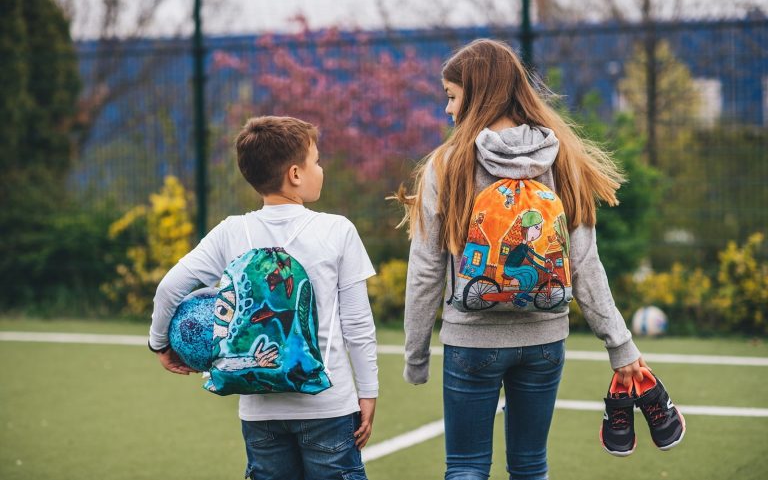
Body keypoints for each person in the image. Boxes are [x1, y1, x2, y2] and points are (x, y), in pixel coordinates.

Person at [396, 39, 649, 479]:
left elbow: (426, 270)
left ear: (477, 94)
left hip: (471, 340)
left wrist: (416, 354)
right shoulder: (561, 157)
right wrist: (619, 344)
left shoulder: (448, 164)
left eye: (451, 96)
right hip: (543, 340)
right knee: (531, 467)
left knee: (466, 466)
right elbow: (585, 263)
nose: (448, 110)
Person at [149, 116, 378, 480]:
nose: (321, 168)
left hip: (260, 412)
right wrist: (368, 392)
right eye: (316, 160)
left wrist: (159, 342)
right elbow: (358, 324)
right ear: (295, 174)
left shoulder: (231, 232)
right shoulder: (337, 230)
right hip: (328, 404)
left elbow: (169, 289)